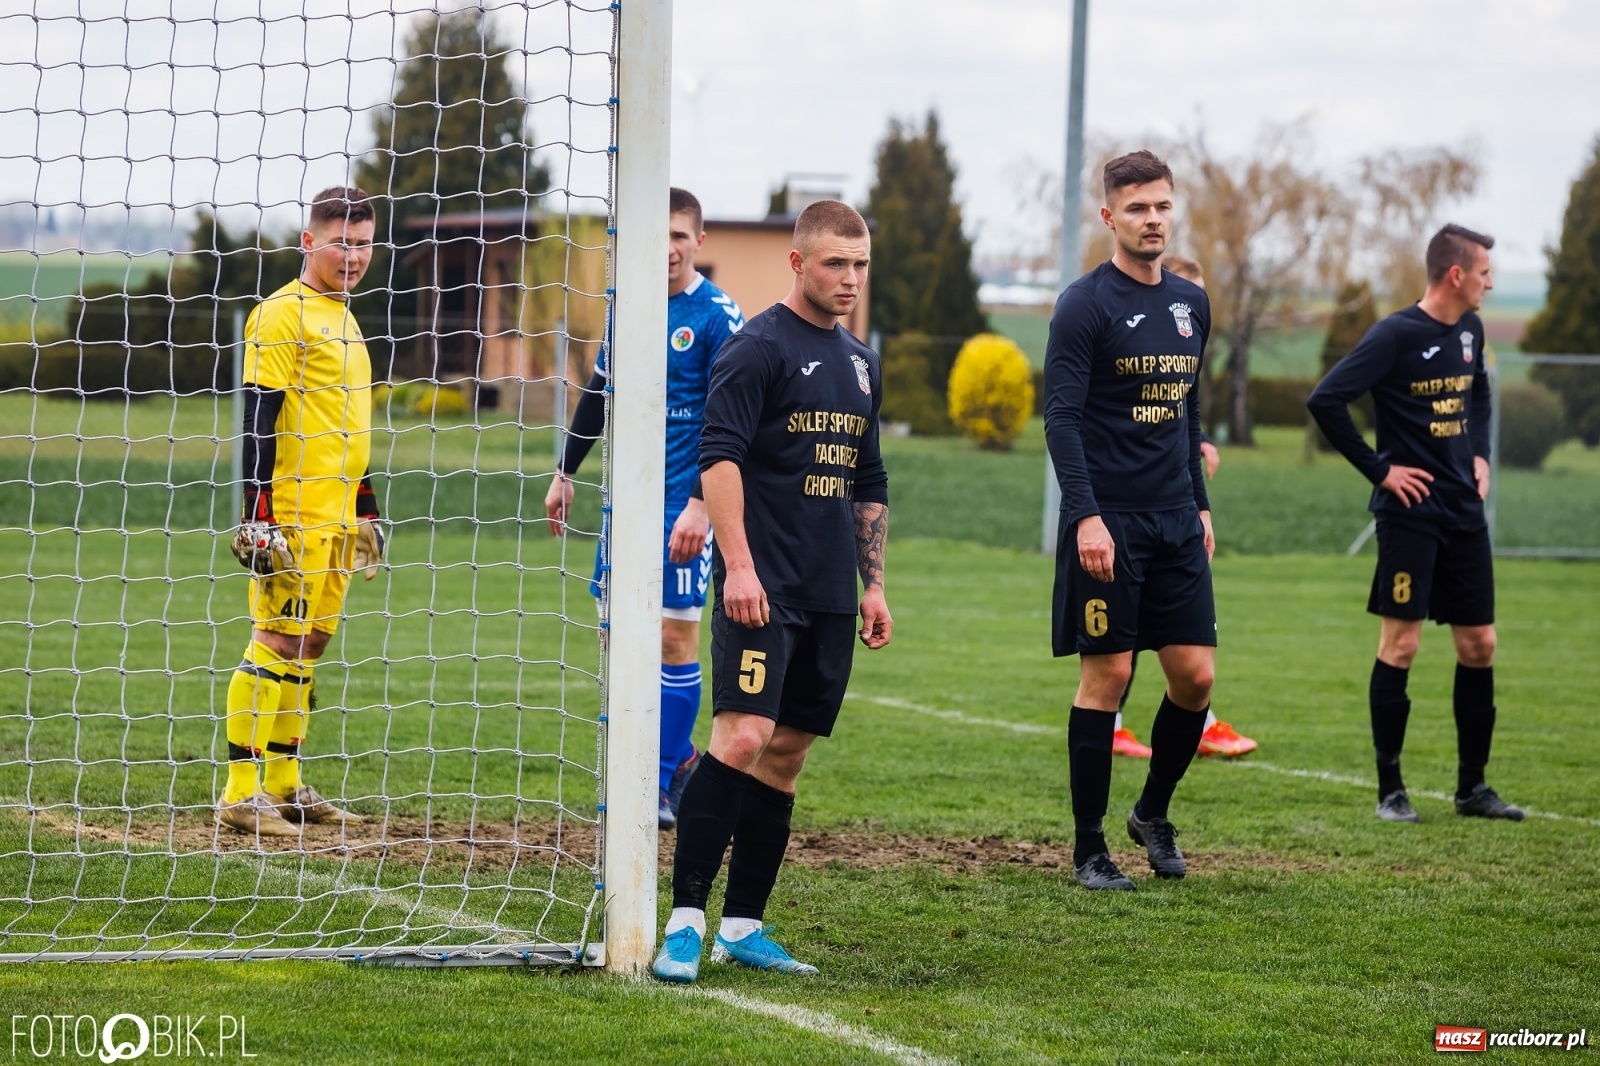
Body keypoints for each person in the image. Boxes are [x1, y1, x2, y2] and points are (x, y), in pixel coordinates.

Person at [651, 200, 891, 982]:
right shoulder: (756, 348)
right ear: (798, 262)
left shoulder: (862, 363)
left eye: (859, 264)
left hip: (830, 595)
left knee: (785, 756)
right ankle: (685, 923)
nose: (849, 278)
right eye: (834, 263)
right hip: (763, 584)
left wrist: (875, 585)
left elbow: (868, 479)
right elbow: (719, 459)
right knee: (743, 737)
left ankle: (743, 926)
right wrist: (741, 567)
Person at [1307, 224, 1522, 823]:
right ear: (1456, 275)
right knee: (1401, 644)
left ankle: (1472, 789)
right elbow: (1326, 400)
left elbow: (1479, 394)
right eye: (1484, 273)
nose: (1489, 284)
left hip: (1463, 512)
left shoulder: (1472, 330)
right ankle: (1391, 791)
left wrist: (1479, 454)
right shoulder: (1395, 335)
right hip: (1409, 516)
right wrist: (1380, 471)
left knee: (1480, 644)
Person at [544, 188, 744, 830]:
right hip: (625, 504)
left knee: (673, 636)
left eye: (679, 235)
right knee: (618, 637)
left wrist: (701, 506)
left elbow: (731, 421)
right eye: (657, 235)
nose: (668, 248)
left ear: (698, 241)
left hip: (685, 505)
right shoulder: (624, 307)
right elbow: (598, 394)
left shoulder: (719, 317)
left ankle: (655, 785)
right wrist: (564, 473)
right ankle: (680, 759)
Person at [1044, 151, 1216, 891]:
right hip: (1108, 522)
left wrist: (1200, 505)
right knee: (1109, 675)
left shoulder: (1191, 303)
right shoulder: (1084, 305)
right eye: (1138, 208)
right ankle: (1089, 849)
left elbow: (1187, 412)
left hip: (1176, 519)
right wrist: (1086, 516)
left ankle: (1151, 812)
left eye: (1162, 206)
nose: (1152, 219)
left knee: (1195, 677)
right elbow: (1061, 419)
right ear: (1109, 216)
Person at [218, 186, 383, 837]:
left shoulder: (346, 318)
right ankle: (240, 793)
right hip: (291, 512)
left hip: (339, 518)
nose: (353, 256)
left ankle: (286, 787)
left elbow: (348, 427)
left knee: (310, 645)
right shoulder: (280, 315)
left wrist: (366, 511)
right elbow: (258, 418)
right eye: (342, 243)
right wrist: (257, 513)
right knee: (276, 640)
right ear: (309, 241)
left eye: (363, 244)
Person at [1112, 253, 1256, 761]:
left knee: (1181, 646)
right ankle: (1118, 724)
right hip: (1126, 513)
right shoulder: (1119, 321)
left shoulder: (1185, 336)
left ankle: (1199, 722)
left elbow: (1177, 409)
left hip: (1176, 514)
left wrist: (1199, 471)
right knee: (1127, 639)